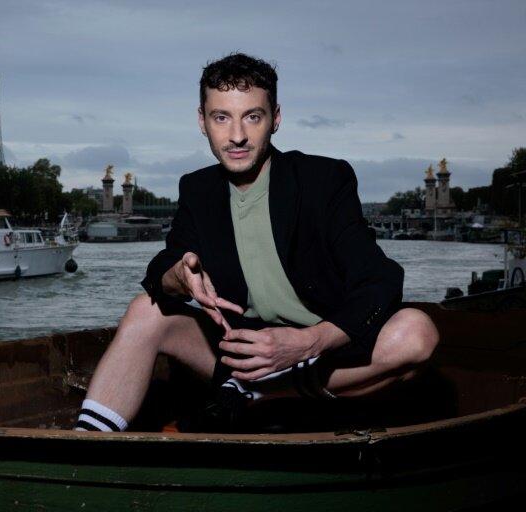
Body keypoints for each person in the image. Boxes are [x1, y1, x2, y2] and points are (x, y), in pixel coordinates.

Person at [74, 52, 439, 433]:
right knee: (143, 310)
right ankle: (79, 449)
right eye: (221, 117)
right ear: (202, 121)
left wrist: (311, 342)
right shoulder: (197, 189)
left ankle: (265, 390)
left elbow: (379, 279)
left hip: (327, 356)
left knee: (417, 332)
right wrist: (179, 276)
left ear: (275, 119)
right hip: (238, 356)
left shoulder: (324, 179)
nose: (236, 136)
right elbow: (162, 267)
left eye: (252, 116)